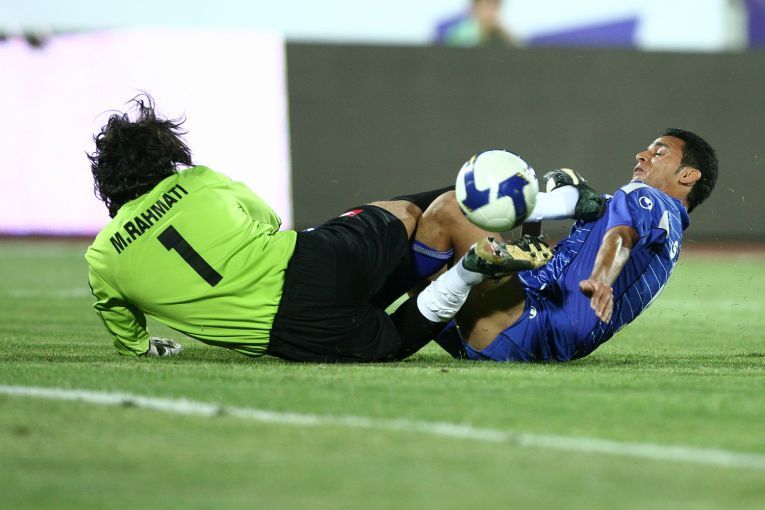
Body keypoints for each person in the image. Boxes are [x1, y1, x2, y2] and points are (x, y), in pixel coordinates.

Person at [85, 95, 551, 362]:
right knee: (408, 215)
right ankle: (513, 203)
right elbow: (268, 220)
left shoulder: (102, 258)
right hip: (316, 261)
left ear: (106, 182)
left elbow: (121, 324)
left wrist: (141, 347)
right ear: (165, 156)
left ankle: (465, 273)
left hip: (294, 334)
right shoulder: (197, 181)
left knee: (392, 342)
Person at [413, 129, 718, 362]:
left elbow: (621, 237)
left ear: (688, 175)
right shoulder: (664, 225)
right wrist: (534, 233)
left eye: (659, 153)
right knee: (425, 222)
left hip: (525, 325)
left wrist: (601, 279)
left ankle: (391, 331)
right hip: (528, 334)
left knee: (450, 207)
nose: (642, 155)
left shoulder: (647, 197)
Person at [435, 0, 520, 47]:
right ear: (474, 8)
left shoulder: (501, 34)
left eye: (494, 8)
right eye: (485, 7)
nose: (489, 13)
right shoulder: (462, 31)